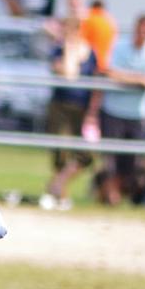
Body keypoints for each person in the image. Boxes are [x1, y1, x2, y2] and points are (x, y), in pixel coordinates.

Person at [99, 14, 145, 204]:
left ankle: (125, 198)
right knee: (110, 162)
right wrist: (141, 79)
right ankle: (109, 199)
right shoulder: (120, 45)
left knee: (135, 164)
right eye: (141, 30)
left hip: (139, 114)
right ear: (135, 29)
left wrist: (136, 79)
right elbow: (110, 73)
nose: (144, 34)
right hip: (113, 111)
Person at [40, 16, 100, 211]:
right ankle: (60, 194)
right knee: (60, 150)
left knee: (85, 154)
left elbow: (93, 81)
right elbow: (66, 73)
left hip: (81, 108)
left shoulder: (89, 52)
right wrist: (68, 49)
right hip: (60, 107)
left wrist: (92, 111)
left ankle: (55, 187)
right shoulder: (59, 49)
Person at [82, 0, 116, 75]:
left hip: (91, 63)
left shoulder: (88, 19)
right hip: (106, 63)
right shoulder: (110, 22)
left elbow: (83, 41)